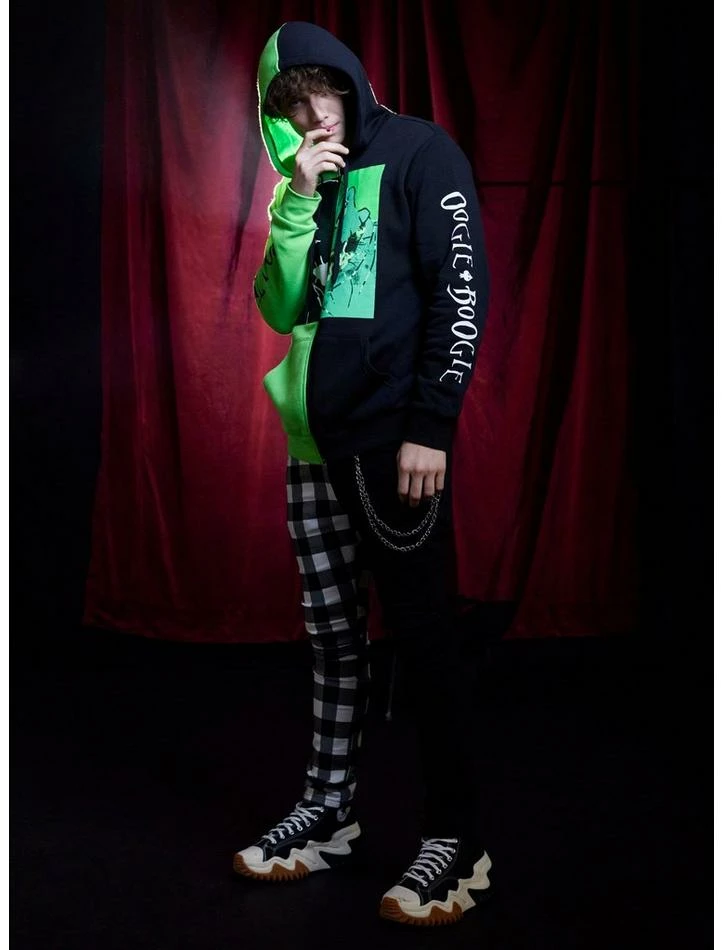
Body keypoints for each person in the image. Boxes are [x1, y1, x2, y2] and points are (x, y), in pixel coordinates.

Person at [233, 21, 491, 926]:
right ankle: (330, 811)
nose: (313, 116)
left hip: (395, 444)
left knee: (424, 639)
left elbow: (460, 286)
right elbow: (280, 308)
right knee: (335, 641)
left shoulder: (421, 151)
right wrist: (298, 199)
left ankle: (456, 836)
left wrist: (432, 424)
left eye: (320, 90)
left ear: (348, 78)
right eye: (291, 106)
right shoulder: (303, 185)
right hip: (314, 445)